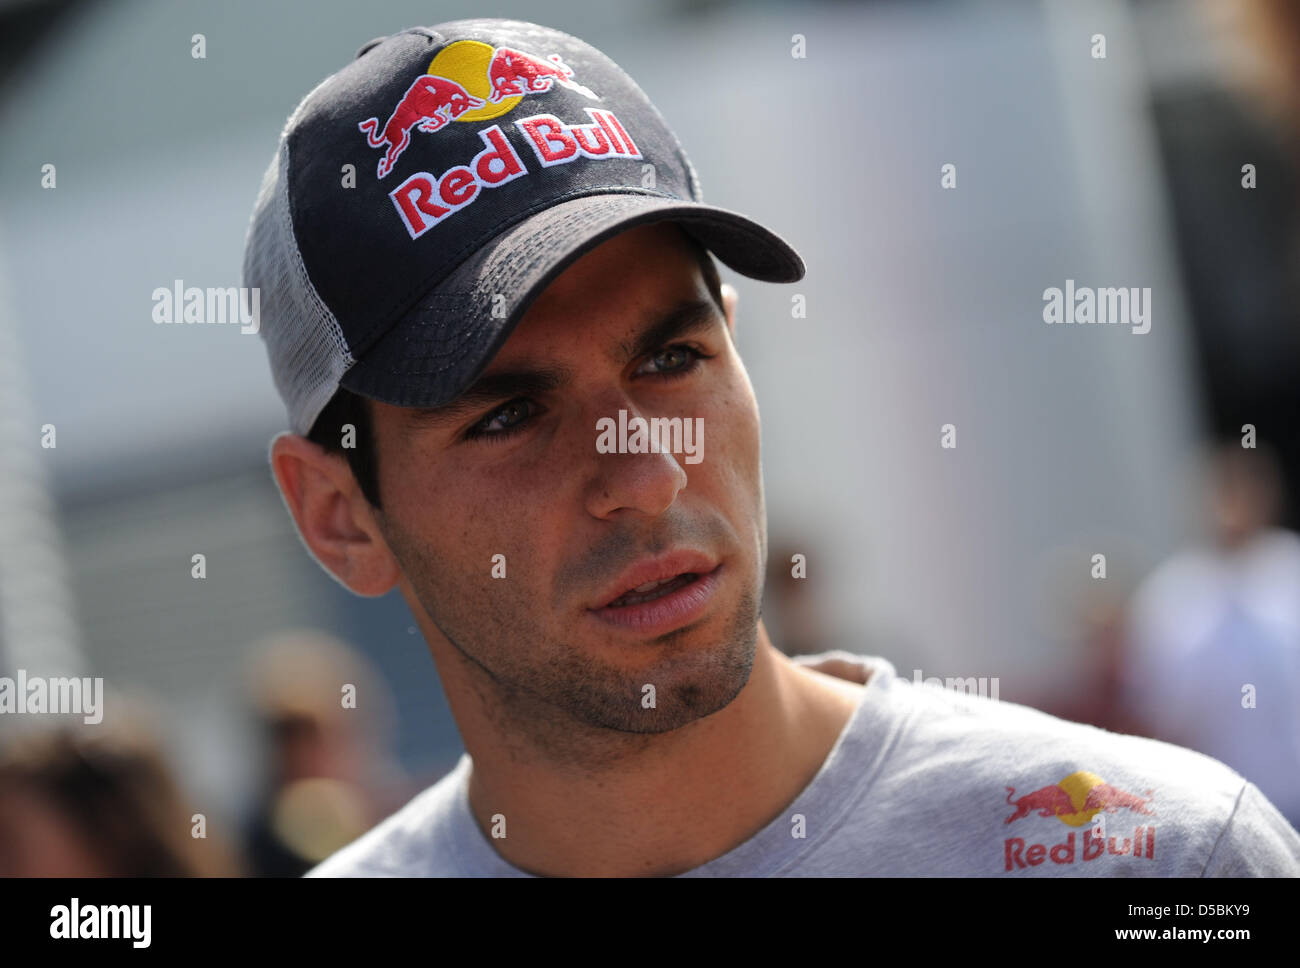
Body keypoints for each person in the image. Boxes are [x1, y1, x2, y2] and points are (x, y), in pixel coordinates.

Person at [242, 18, 1300, 876]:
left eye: (670, 359)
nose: (647, 473)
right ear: (339, 515)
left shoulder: (1152, 861)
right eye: (510, 415)